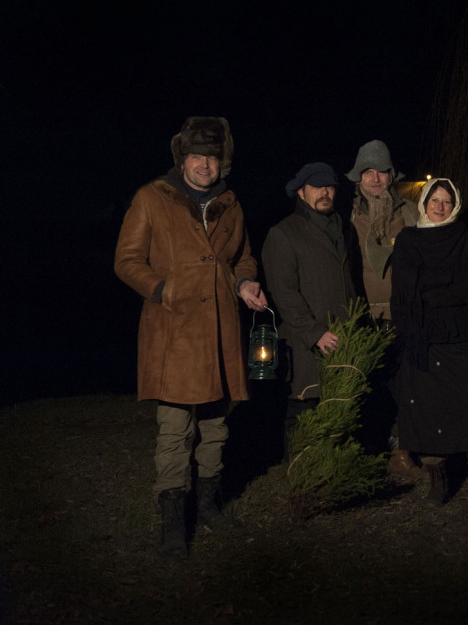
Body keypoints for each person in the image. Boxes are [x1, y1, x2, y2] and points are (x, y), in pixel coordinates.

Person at [114, 116, 267, 558]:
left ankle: (207, 506)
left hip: (220, 332)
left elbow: (243, 258)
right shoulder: (151, 198)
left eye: (213, 158)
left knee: (216, 425)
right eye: (197, 156)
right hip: (174, 334)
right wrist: (163, 290)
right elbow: (127, 260)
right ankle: (172, 519)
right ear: (182, 159)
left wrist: (244, 283)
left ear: (223, 163)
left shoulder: (231, 205)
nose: (205, 165)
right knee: (174, 429)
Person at [390, 178, 468, 507]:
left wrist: (428, 289)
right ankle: (439, 483)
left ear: (455, 204)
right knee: (430, 409)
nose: (440, 206)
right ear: (424, 203)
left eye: (447, 201)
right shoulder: (408, 239)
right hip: (423, 339)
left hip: (463, 336)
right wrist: (448, 286)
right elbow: (404, 290)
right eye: (435, 200)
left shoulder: (467, 238)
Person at [261, 162, 357, 457]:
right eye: (316, 186)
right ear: (301, 193)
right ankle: (301, 472)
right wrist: (315, 333)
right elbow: (284, 294)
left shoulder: (342, 227)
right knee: (304, 408)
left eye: (329, 186)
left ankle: (333, 470)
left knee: (339, 410)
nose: (324, 192)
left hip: (343, 336)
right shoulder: (284, 233)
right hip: (307, 342)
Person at [346, 139, 419, 479]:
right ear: (358, 178)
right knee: (369, 388)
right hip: (362, 318)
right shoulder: (347, 217)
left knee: (404, 385)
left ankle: (402, 450)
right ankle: (369, 453)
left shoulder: (410, 214)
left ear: (392, 176)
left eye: (382, 172)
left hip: (402, 315)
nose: (375, 179)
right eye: (368, 172)